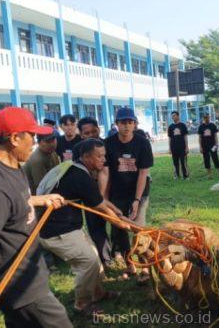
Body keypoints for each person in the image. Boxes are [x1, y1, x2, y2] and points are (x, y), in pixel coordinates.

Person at [0, 107, 72, 328]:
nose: (36, 142)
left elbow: (13, 202)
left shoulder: (10, 164)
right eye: (33, 136)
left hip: (28, 274)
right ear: (16, 138)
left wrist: (39, 200)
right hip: (19, 287)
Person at [39, 139, 129, 315]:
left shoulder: (76, 168)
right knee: (88, 262)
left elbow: (99, 200)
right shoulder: (79, 176)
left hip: (69, 226)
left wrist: (117, 211)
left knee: (94, 259)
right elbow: (100, 208)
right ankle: (82, 304)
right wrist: (121, 223)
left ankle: (98, 294)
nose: (103, 159)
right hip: (56, 231)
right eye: (99, 156)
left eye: (104, 155)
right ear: (86, 157)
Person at [105, 107, 153, 283]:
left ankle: (145, 267)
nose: (126, 126)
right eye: (122, 122)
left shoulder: (142, 142)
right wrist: (105, 198)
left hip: (139, 191)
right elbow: (106, 172)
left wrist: (136, 200)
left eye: (130, 122)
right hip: (117, 192)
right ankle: (129, 265)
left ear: (135, 124)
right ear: (116, 124)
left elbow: (143, 172)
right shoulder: (108, 143)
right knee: (119, 229)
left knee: (138, 228)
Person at [73, 117, 113, 267]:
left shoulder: (105, 145)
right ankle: (105, 259)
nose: (90, 135)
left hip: (110, 188)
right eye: (86, 133)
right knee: (95, 225)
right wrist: (96, 200)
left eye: (93, 131)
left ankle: (120, 253)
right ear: (81, 134)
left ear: (99, 129)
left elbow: (105, 172)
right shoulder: (79, 148)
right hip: (89, 191)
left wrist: (101, 196)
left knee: (116, 223)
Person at [198, 114, 219, 179]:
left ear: (209, 118)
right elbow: (200, 138)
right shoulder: (201, 127)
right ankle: (209, 175)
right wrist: (200, 147)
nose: (207, 119)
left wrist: (217, 144)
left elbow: (215, 135)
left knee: (215, 158)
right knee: (206, 160)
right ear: (203, 119)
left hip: (213, 145)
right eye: (205, 118)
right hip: (204, 146)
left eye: (208, 118)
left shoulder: (213, 126)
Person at [167, 111, 189, 179]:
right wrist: (169, 148)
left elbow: (185, 137)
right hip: (174, 147)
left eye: (174, 115)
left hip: (182, 147)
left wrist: (187, 147)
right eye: (172, 116)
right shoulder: (170, 127)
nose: (173, 117)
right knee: (175, 162)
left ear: (178, 116)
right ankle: (177, 175)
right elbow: (170, 138)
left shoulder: (183, 125)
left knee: (183, 162)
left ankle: (185, 175)